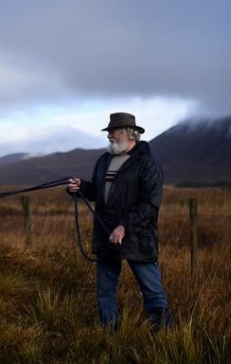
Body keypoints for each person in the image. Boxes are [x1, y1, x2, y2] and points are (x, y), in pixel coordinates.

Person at [67, 112, 174, 331]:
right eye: (108, 132)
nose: (109, 136)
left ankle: (164, 333)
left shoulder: (147, 163)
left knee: (151, 290)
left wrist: (124, 226)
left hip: (137, 237)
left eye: (113, 131)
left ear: (129, 133)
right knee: (105, 290)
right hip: (106, 234)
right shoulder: (105, 159)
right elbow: (99, 192)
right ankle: (109, 332)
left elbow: (150, 205)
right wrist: (81, 188)